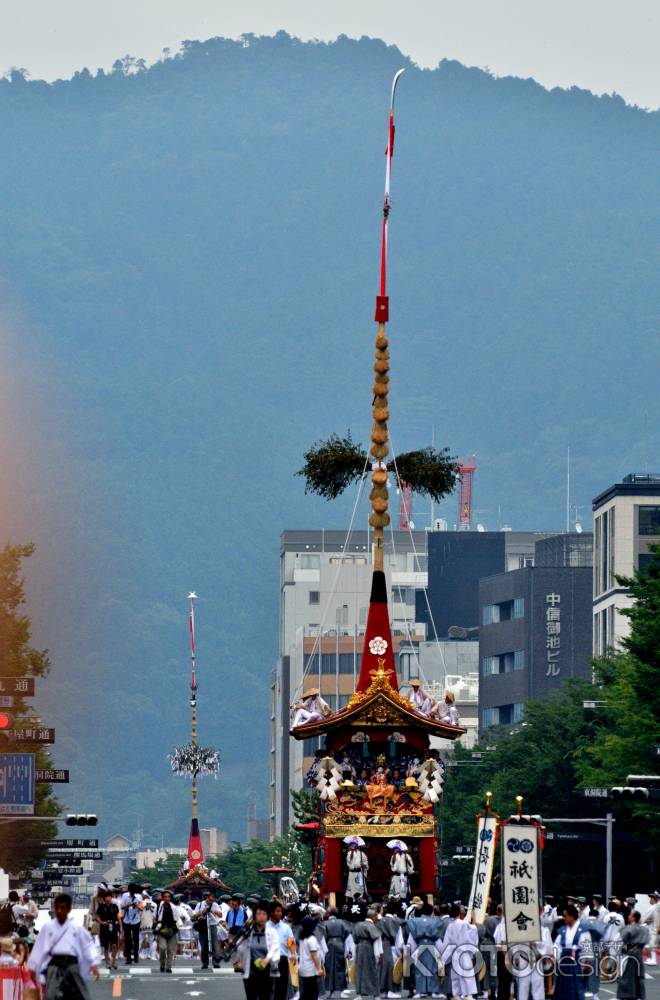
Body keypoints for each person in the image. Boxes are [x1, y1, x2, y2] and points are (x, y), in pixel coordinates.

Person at [28, 892, 99, 1000]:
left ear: (69, 909)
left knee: (81, 995)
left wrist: (93, 963)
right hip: (54, 965)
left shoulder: (76, 928)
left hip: (72, 965)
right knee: (51, 996)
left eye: (63, 907)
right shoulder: (47, 927)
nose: (59, 911)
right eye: (57, 908)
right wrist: (33, 967)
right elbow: (39, 948)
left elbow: (87, 946)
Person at [237, 899, 280, 1000]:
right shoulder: (248, 932)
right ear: (255, 916)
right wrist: (238, 960)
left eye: (264, 914)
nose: (261, 916)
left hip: (267, 970)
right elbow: (240, 948)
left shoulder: (272, 932)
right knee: (251, 996)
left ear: (268, 917)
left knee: (265, 996)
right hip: (250, 970)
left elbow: (275, 948)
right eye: (258, 913)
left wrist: (267, 960)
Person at [439, 904, 478, 1000]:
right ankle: (468, 995)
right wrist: (474, 920)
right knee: (467, 973)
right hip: (464, 951)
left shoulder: (450, 926)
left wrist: (443, 956)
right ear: (459, 912)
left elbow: (446, 942)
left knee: (455, 974)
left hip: (454, 952)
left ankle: (456, 994)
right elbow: (473, 931)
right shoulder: (464, 923)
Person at [554, 904, 588, 1000]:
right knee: (563, 987)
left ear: (572, 916)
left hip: (577, 961)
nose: (563, 918)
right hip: (564, 962)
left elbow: (587, 946)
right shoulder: (563, 930)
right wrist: (555, 957)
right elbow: (557, 945)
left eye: (565, 916)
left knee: (577, 986)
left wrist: (586, 961)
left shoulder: (583, 929)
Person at [617, 910, 649, 999]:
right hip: (639, 954)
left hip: (630, 954)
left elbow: (622, 939)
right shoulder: (645, 929)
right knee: (639, 975)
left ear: (634, 917)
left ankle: (627, 995)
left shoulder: (628, 928)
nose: (628, 916)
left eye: (630, 915)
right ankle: (640, 995)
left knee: (628, 975)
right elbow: (647, 944)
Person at [269, 899, 297, 1000]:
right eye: (277, 911)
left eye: (281, 911)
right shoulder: (265, 926)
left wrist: (293, 953)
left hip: (282, 960)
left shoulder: (286, 928)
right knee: (269, 987)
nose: (280, 913)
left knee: (281, 987)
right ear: (271, 912)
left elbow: (291, 942)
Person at [353, 909, 381, 1000]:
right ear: (373, 917)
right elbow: (376, 940)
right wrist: (378, 954)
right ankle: (375, 994)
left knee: (359, 970)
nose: (377, 918)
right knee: (372, 970)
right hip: (369, 947)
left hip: (359, 948)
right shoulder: (372, 926)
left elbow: (354, 940)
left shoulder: (358, 925)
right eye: (376, 916)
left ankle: (360, 994)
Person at [322, 907, 350, 997]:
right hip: (340, 944)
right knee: (340, 967)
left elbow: (323, 937)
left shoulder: (324, 923)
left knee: (328, 967)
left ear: (329, 913)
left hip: (329, 944)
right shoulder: (342, 922)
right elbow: (347, 935)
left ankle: (329, 989)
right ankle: (341, 989)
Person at [193, 891, 224, 969]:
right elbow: (194, 916)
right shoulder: (200, 904)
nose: (211, 902)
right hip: (203, 925)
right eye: (210, 900)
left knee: (215, 944)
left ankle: (216, 962)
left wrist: (212, 911)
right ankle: (205, 963)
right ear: (206, 898)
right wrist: (202, 912)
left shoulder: (215, 905)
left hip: (212, 925)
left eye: (213, 900)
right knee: (204, 945)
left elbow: (220, 915)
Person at [155, 890, 183, 973]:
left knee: (171, 950)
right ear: (162, 898)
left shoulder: (174, 907)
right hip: (162, 930)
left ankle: (169, 966)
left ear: (170, 898)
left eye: (168, 897)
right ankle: (162, 964)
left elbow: (177, 919)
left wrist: (177, 927)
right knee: (162, 948)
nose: (167, 898)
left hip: (172, 930)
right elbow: (157, 919)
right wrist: (156, 928)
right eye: (165, 897)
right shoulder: (159, 906)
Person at [380, 900, 402, 999]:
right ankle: (391, 989)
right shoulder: (396, 921)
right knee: (393, 968)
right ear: (395, 910)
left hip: (381, 945)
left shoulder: (380, 920)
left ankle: (382, 990)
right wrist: (400, 951)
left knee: (383, 968)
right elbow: (398, 937)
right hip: (392, 945)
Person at [120, 882, 144, 965]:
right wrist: (128, 904)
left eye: (134, 891)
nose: (132, 893)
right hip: (126, 920)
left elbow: (141, 908)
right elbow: (121, 907)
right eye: (131, 891)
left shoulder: (139, 897)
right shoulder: (125, 896)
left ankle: (136, 955)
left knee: (136, 938)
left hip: (136, 920)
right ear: (129, 891)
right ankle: (128, 957)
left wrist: (137, 905)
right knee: (127, 939)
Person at [97, 889, 120, 970]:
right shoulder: (101, 906)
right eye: (106, 897)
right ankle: (107, 962)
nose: (108, 898)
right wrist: (101, 922)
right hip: (104, 927)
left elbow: (118, 917)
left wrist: (120, 929)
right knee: (106, 946)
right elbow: (97, 917)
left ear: (111, 897)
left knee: (114, 945)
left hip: (114, 926)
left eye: (109, 896)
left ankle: (114, 961)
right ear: (104, 898)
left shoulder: (115, 906)